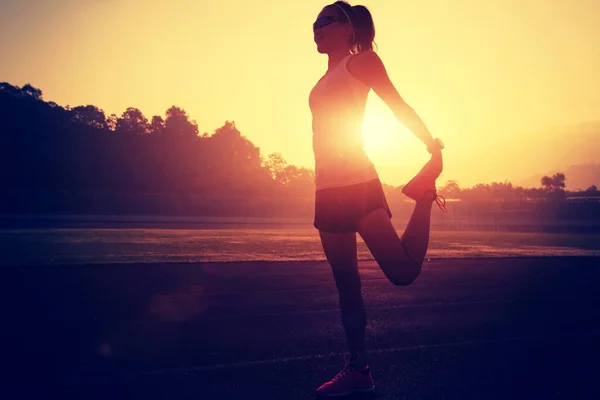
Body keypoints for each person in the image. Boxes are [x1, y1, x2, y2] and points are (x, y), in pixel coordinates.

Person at [309, 1, 447, 397]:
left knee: (402, 273)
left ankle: (423, 196)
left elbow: (397, 103)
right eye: (314, 23)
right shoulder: (322, 80)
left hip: (357, 183)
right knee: (346, 285)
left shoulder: (362, 62)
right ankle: (358, 369)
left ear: (348, 29)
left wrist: (429, 145)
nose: (316, 28)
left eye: (325, 21)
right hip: (326, 190)